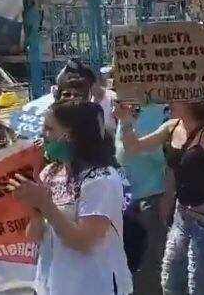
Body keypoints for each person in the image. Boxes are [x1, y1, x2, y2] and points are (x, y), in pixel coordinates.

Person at [115, 84, 204, 295]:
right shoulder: (171, 126)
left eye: (173, 96)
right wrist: (125, 123)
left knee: (199, 287)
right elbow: (135, 148)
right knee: (170, 282)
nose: (167, 100)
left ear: (191, 100)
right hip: (182, 217)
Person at [8, 99, 133, 295]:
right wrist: (34, 208)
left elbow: (84, 242)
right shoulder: (49, 173)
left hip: (93, 286)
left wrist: (45, 204)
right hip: (51, 285)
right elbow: (34, 235)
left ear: (71, 135)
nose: (43, 136)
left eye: (49, 129)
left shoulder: (102, 179)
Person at [115, 102, 170, 295]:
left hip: (150, 200)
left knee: (148, 267)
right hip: (124, 201)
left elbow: (159, 155)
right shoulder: (127, 108)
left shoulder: (162, 113)